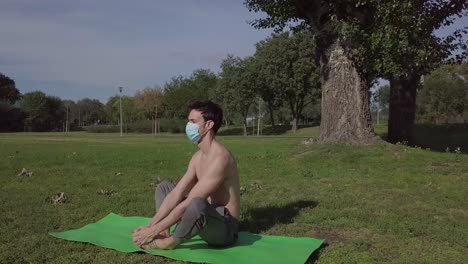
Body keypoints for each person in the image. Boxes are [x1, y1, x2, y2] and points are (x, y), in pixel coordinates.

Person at [132, 100, 240, 250]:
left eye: (193, 121)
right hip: (204, 215)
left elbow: (191, 202)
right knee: (164, 188)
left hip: (225, 229)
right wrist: (150, 226)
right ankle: (163, 231)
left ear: (209, 125)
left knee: (196, 203)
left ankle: (168, 243)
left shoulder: (221, 158)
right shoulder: (197, 157)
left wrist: (151, 232)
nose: (188, 126)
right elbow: (177, 192)